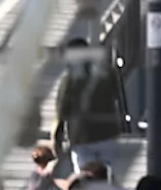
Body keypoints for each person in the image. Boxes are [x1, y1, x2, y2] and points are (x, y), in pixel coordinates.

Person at [52, 38, 123, 180]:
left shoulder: (69, 80)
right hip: (107, 133)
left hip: (82, 137)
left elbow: (62, 111)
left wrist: (56, 138)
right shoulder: (107, 72)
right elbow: (117, 95)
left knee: (84, 179)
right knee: (106, 176)